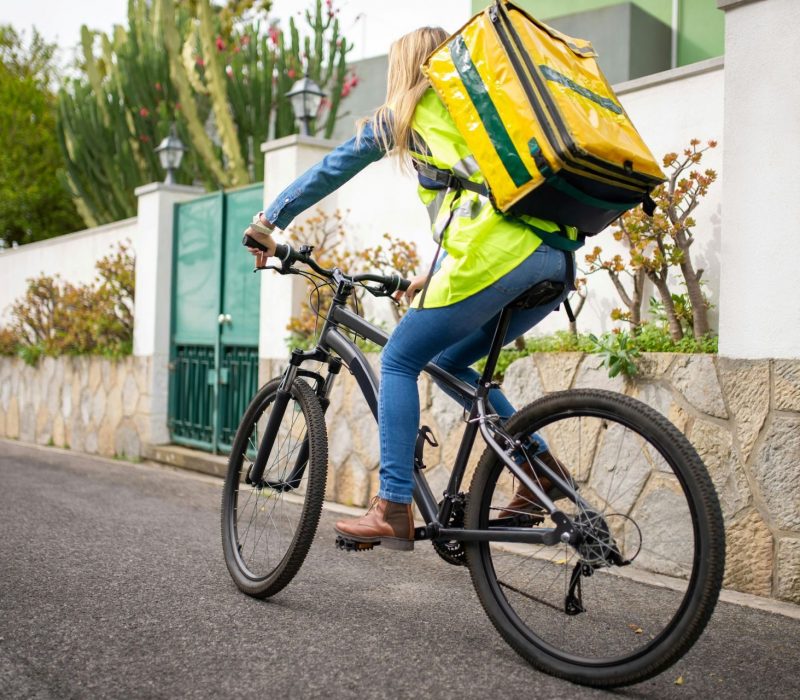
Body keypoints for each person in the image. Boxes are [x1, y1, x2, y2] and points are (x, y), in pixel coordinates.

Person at [244, 26, 574, 552]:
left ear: (406, 71)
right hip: (553, 259)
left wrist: (270, 221)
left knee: (399, 359)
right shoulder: (484, 114)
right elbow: (482, 198)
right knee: (448, 360)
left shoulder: (407, 111)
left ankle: (392, 505)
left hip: (496, 259)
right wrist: (432, 272)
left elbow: (332, 168)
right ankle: (543, 469)